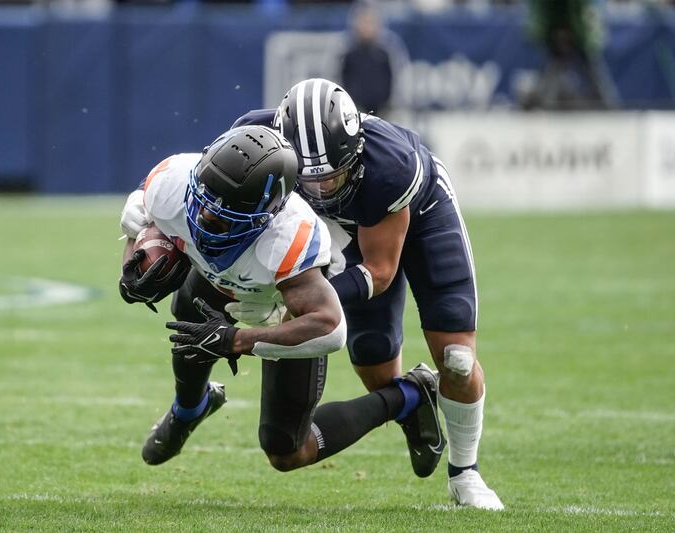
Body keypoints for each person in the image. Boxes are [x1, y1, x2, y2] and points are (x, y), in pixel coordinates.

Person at [232, 79, 503, 510]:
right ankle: (414, 402)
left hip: (416, 217)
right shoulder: (257, 143)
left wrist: (295, 299)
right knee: (376, 366)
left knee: (455, 356)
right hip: (348, 229)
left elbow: (379, 272)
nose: (320, 191)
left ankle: (465, 473)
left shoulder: (389, 167)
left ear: (354, 153)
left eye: (332, 177)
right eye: (310, 180)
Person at [118, 125, 445, 475]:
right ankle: (190, 408)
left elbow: (330, 327)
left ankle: (410, 395)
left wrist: (237, 340)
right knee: (189, 316)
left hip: (279, 306)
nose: (206, 217)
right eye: (204, 199)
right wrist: (132, 262)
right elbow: (144, 212)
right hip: (222, 279)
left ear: (263, 217)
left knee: (286, 450)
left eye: (224, 216)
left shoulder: (288, 238)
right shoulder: (174, 180)